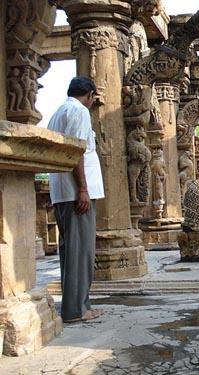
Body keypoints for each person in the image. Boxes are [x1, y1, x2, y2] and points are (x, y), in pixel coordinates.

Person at [48, 76, 105, 323]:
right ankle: (76, 310)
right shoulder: (79, 111)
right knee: (81, 252)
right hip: (75, 192)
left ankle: (77, 306)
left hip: (63, 191)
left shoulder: (59, 110)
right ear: (90, 95)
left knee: (71, 251)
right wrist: (83, 189)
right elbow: (76, 151)